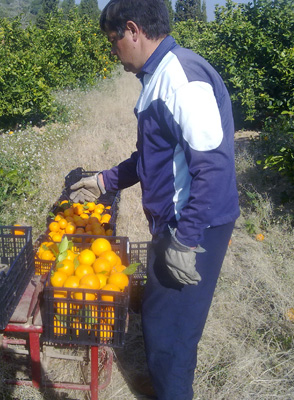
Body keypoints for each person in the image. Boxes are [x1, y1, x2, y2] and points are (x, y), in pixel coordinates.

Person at [69, 1, 240, 399]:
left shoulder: (181, 77)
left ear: (132, 30)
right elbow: (150, 156)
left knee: (171, 337)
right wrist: (103, 180)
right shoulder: (158, 77)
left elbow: (214, 167)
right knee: (162, 318)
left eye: (113, 41)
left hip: (193, 225)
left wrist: (186, 239)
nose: (115, 52)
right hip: (176, 223)